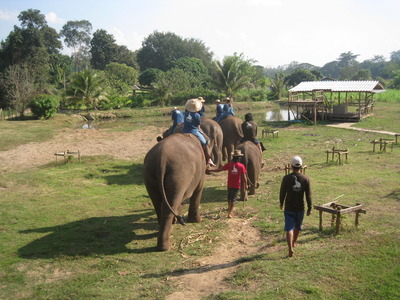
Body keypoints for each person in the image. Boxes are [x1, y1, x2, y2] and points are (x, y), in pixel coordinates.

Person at [279, 156, 312, 257]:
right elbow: (308, 195)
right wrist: (310, 208)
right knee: (297, 226)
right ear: (301, 166)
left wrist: (281, 203)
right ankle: (294, 242)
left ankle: (290, 248)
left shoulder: (286, 178)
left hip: (289, 207)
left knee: (289, 228)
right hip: (300, 208)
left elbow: (282, 192)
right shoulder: (306, 179)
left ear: (291, 166)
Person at [208, 150, 248, 218]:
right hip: (237, 185)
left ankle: (229, 208)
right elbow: (244, 177)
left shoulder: (229, 164)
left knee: (229, 197)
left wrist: (211, 170)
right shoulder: (241, 166)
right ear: (239, 158)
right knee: (234, 198)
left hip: (229, 184)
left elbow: (220, 169)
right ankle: (230, 212)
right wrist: (246, 185)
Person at [183, 98, 216, 167]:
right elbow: (198, 126)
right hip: (194, 131)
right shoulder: (197, 115)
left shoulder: (186, 113)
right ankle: (208, 159)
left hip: (185, 130)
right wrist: (201, 131)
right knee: (205, 142)